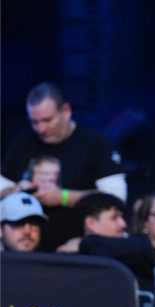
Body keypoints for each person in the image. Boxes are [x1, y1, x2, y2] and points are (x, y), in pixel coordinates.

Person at [1, 82, 124, 251]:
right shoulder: (22, 142)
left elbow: (117, 198)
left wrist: (63, 197)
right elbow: (2, 189)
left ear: (66, 111)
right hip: (25, 253)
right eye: (34, 122)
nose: (41, 129)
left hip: (78, 252)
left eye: (47, 120)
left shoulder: (96, 143)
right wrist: (16, 191)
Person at [58, 192, 155, 291]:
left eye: (121, 217)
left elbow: (141, 247)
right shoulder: (68, 257)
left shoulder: (137, 245)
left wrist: (83, 243)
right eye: (114, 218)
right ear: (91, 223)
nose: (123, 224)